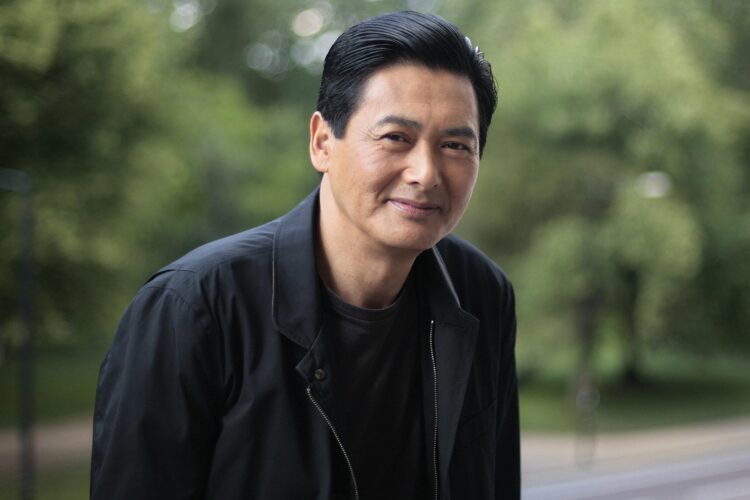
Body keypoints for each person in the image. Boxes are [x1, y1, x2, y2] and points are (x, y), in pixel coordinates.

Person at [90, 10, 519, 500]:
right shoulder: (193, 308)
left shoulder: (481, 295)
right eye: (396, 137)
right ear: (322, 142)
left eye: (455, 145)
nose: (426, 172)